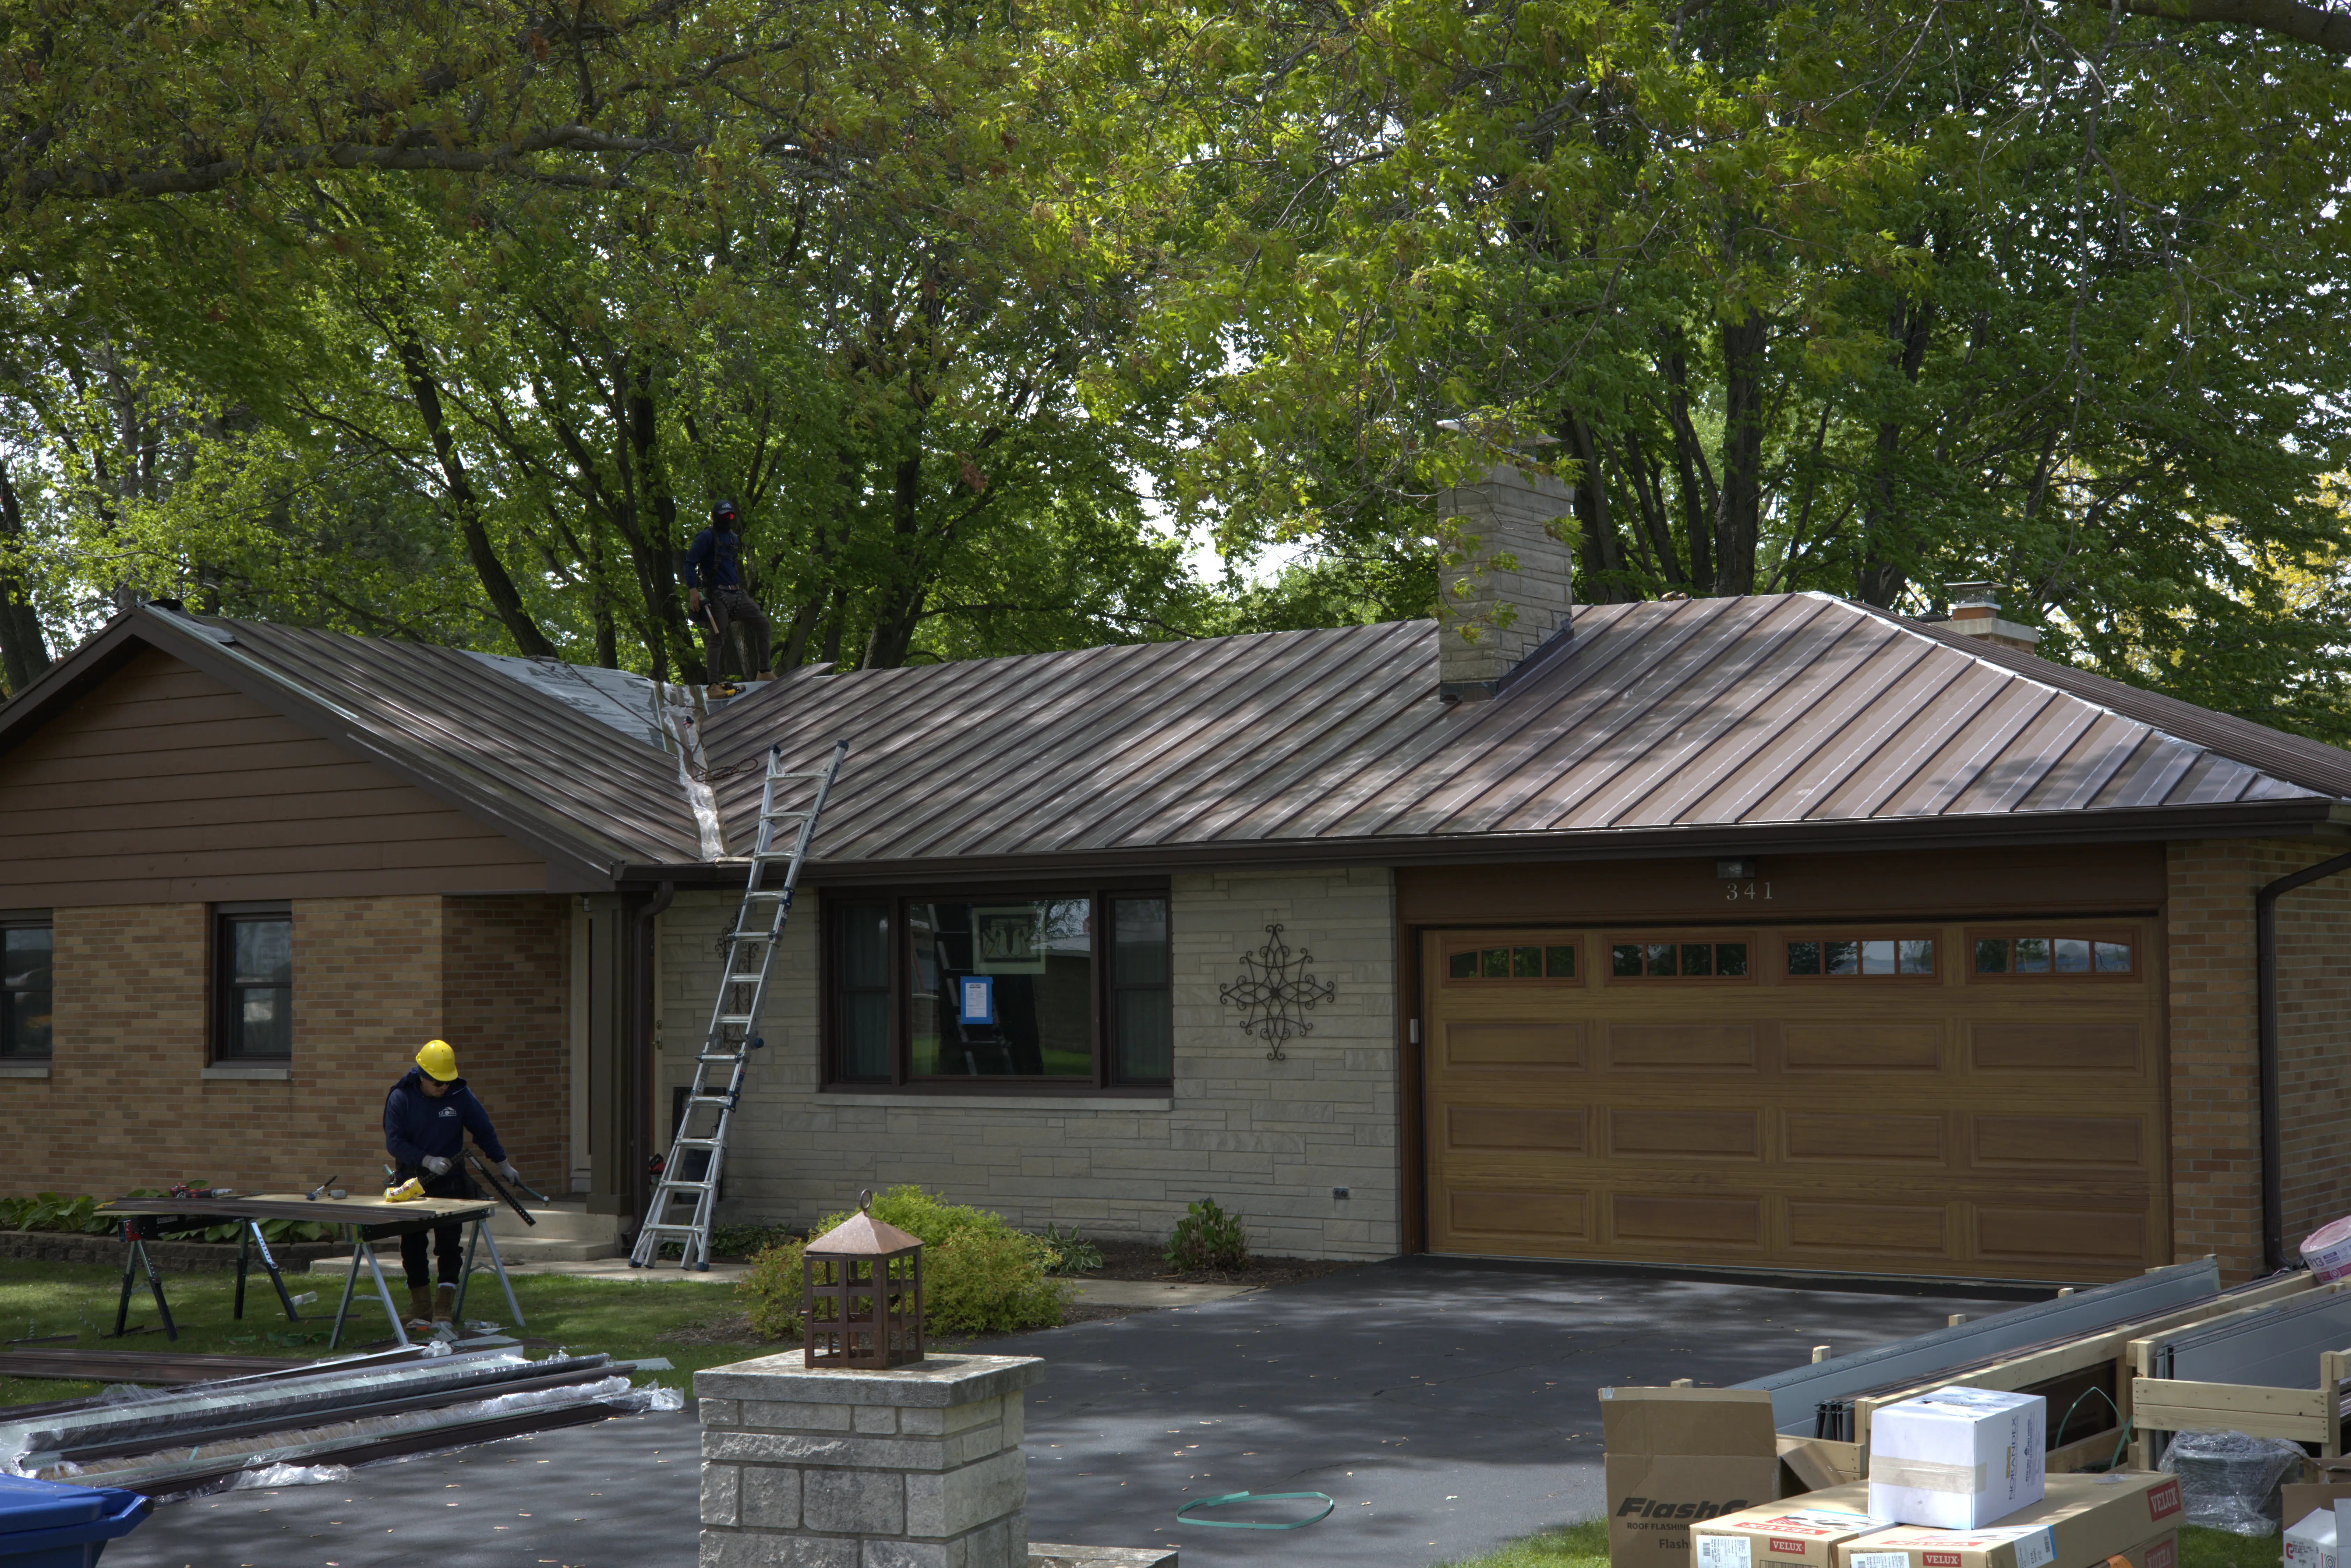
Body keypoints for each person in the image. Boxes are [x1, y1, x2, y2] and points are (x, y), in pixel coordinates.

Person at [383, 1039, 519, 1330]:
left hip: (450, 1182)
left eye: (447, 1081)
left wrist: (503, 1164)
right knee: (413, 1244)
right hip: (413, 1183)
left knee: (448, 1246)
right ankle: (421, 1303)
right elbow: (394, 1142)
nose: (443, 1087)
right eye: (437, 1082)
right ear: (422, 1076)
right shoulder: (401, 1097)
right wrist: (426, 1160)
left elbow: (483, 1130)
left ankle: (444, 1304)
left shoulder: (460, 1094)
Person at [681, 497, 773, 684]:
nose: (727, 519)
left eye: (731, 516)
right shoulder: (706, 537)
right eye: (724, 516)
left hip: (737, 594)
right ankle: (713, 685)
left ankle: (764, 671)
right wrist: (693, 591)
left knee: (763, 625)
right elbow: (689, 563)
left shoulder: (734, 539)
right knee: (717, 638)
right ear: (715, 517)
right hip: (717, 595)